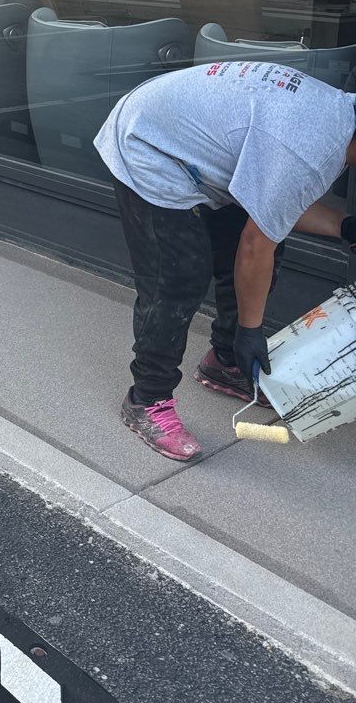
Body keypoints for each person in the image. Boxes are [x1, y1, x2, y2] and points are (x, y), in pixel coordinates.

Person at [95, 59, 356, 462]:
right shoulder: (311, 146)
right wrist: (251, 330)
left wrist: (345, 226)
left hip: (194, 143)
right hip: (149, 142)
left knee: (268, 239)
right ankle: (146, 400)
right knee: (178, 277)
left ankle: (225, 362)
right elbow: (255, 245)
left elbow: (278, 206)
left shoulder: (339, 115)